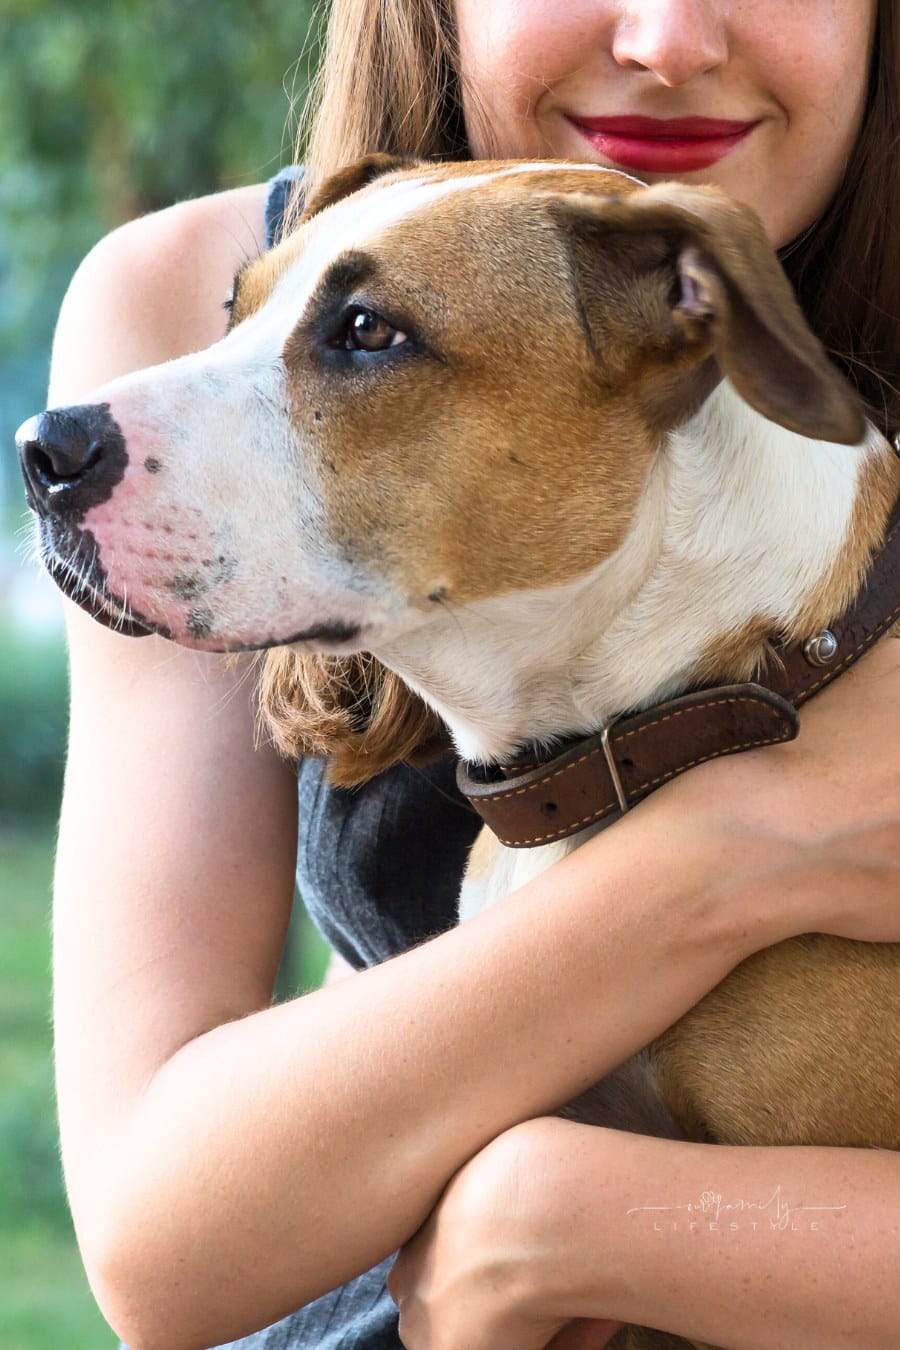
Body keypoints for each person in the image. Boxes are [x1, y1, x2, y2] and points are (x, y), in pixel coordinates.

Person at [47, 2, 899, 1348]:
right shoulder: (230, 258)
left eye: (365, 340)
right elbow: (161, 1245)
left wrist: (579, 1222)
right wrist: (743, 846)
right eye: (256, 327)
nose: (669, 37)